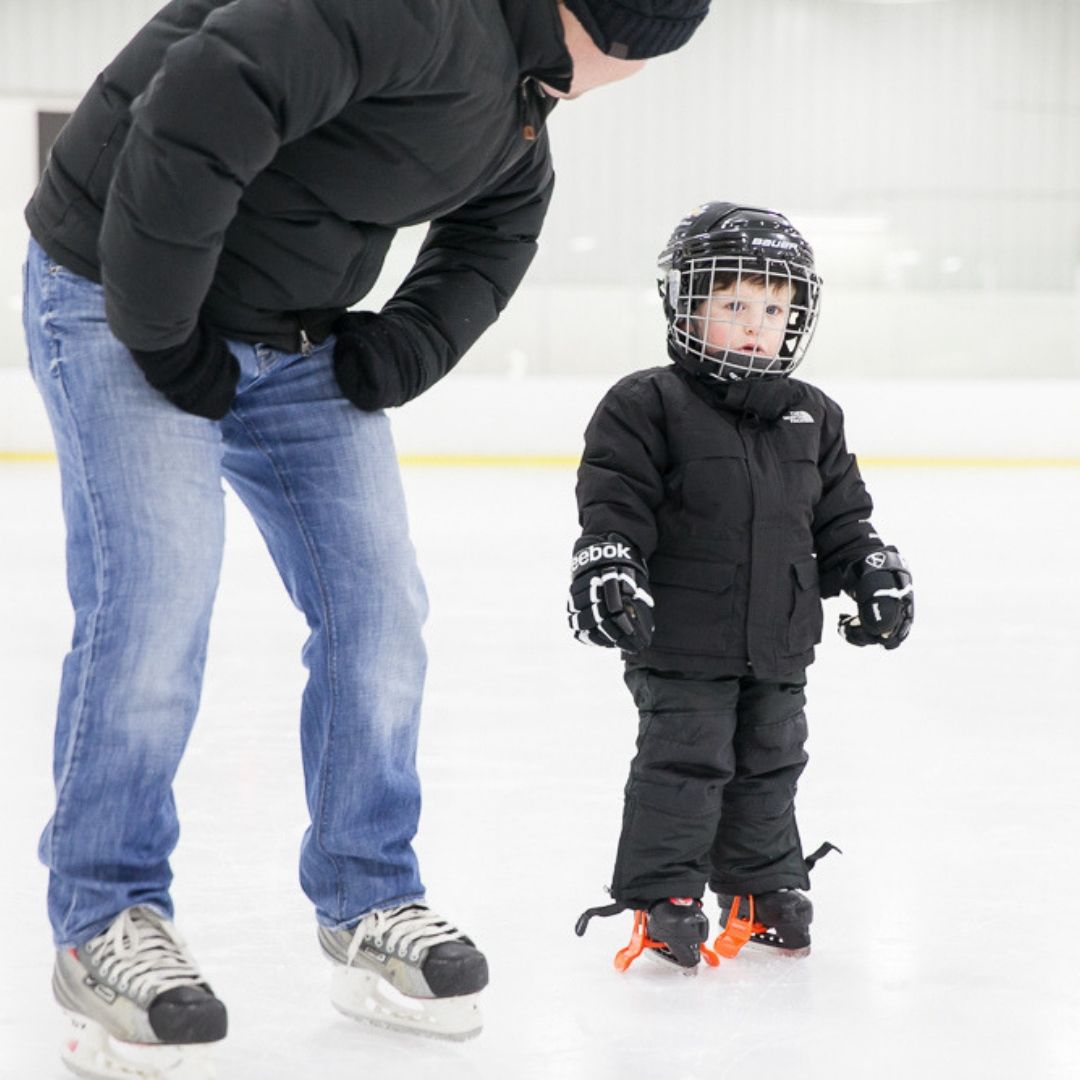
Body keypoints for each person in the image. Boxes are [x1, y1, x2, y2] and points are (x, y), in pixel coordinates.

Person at [22, 0, 712, 1070]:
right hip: (121, 292)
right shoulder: (424, 12)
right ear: (628, 41)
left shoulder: (518, 93)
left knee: (379, 610)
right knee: (154, 600)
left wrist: (408, 346)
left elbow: (498, 230)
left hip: (292, 340)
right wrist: (161, 327)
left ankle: (367, 897)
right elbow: (214, 88)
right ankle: (104, 918)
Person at [568, 202, 914, 972]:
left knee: (770, 762)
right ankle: (666, 896)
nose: (757, 323)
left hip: (781, 640)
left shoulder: (813, 415)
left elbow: (841, 520)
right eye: (733, 305)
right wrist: (610, 562)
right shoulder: (647, 404)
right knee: (685, 762)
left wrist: (872, 571)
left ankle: (760, 887)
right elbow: (614, 503)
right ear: (687, 305)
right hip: (681, 638)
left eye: (774, 307)